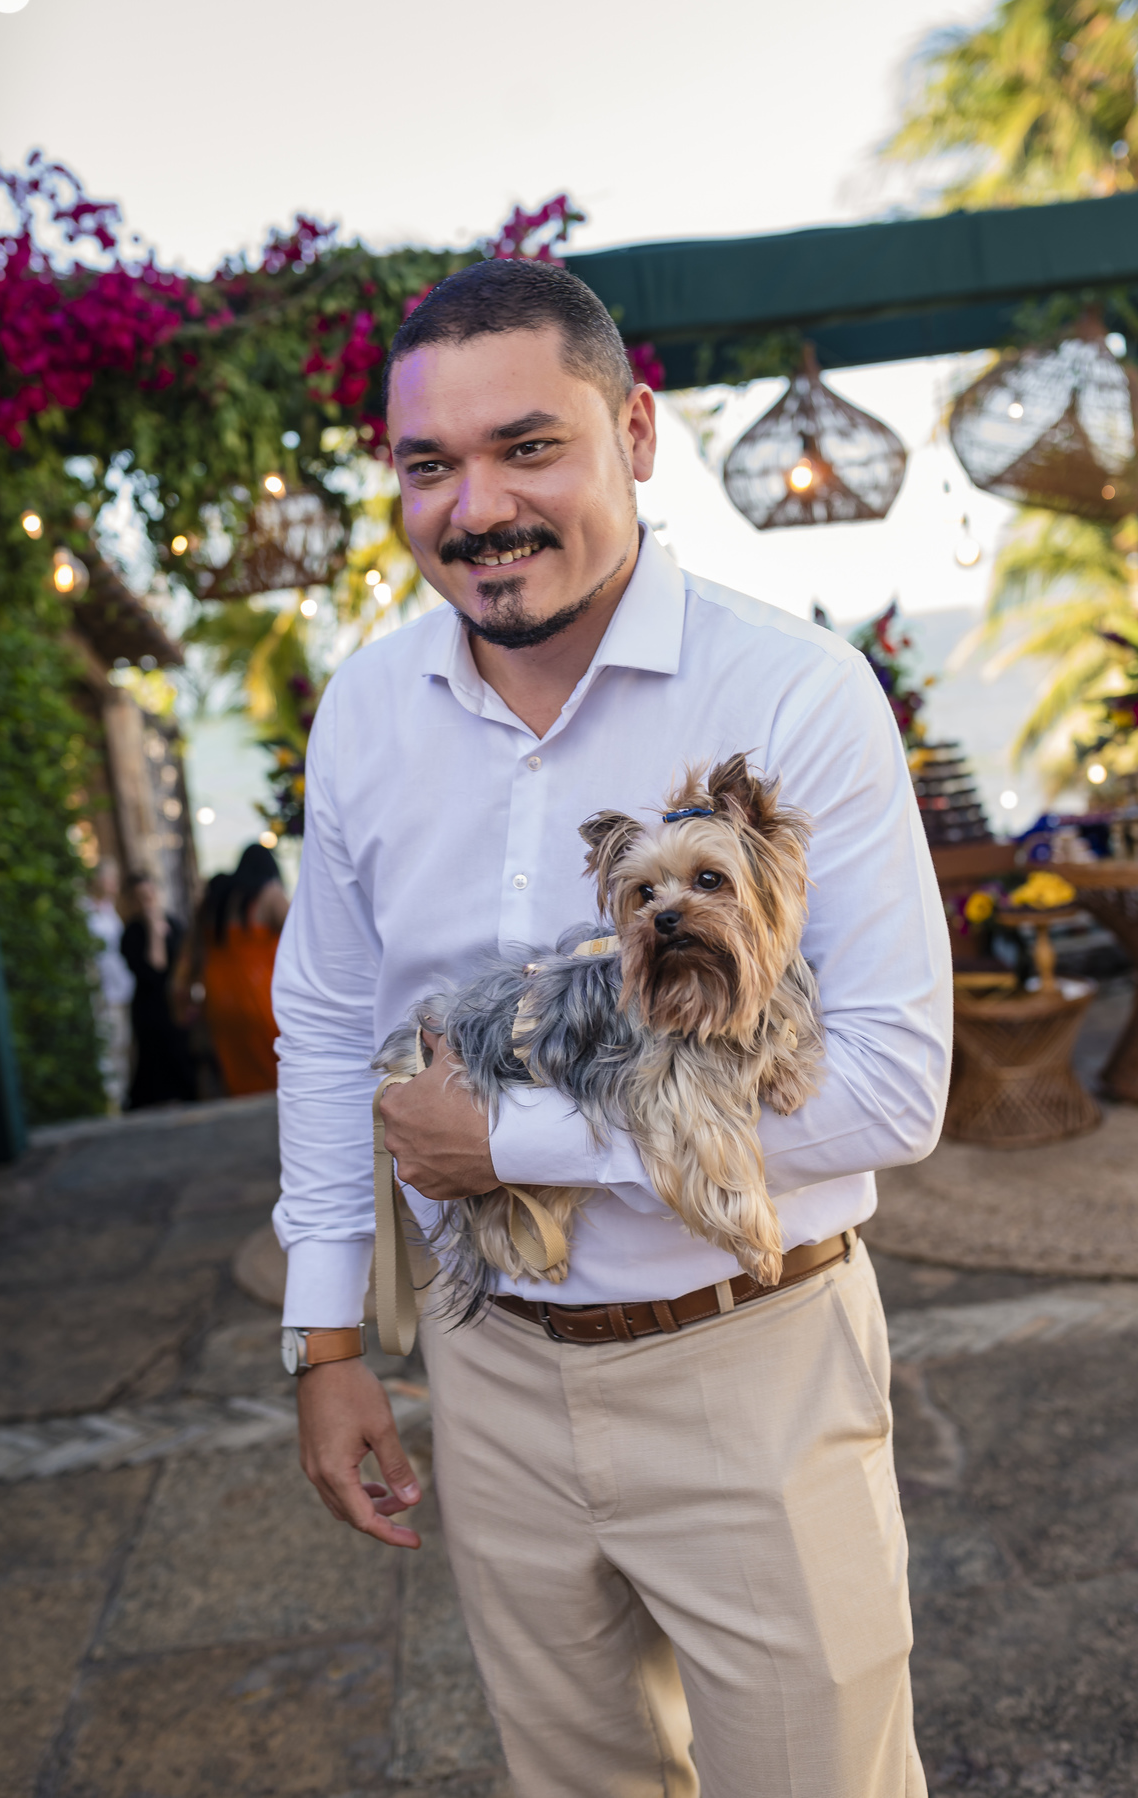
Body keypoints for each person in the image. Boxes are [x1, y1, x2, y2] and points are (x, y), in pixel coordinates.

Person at [272, 260, 952, 1797]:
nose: (477, 508)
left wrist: (512, 1138)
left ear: (635, 433)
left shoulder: (795, 692)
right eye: (429, 466)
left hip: (752, 1357)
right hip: (490, 1366)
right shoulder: (366, 712)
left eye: (529, 447)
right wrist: (325, 1342)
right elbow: (321, 1023)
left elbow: (895, 1087)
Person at [195, 842, 288, 1095]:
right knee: (276, 1083)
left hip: (218, 1003)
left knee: (239, 1082)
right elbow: (306, 941)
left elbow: (190, 958)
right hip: (260, 1000)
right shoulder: (270, 895)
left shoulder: (213, 902)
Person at [120, 872, 196, 1108]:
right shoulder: (132, 933)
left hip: (174, 1003)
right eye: (140, 897)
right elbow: (157, 965)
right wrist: (154, 928)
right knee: (153, 1060)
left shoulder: (174, 923)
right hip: (149, 1008)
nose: (147, 901)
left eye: (149, 894)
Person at [83, 856, 134, 1111]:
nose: (114, 883)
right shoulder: (86, 911)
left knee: (121, 1046)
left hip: (120, 989)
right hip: (102, 992)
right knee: (107, 1048)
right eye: (110, 878)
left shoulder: (109, 909)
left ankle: (121, 1099)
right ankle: (110, 1102)